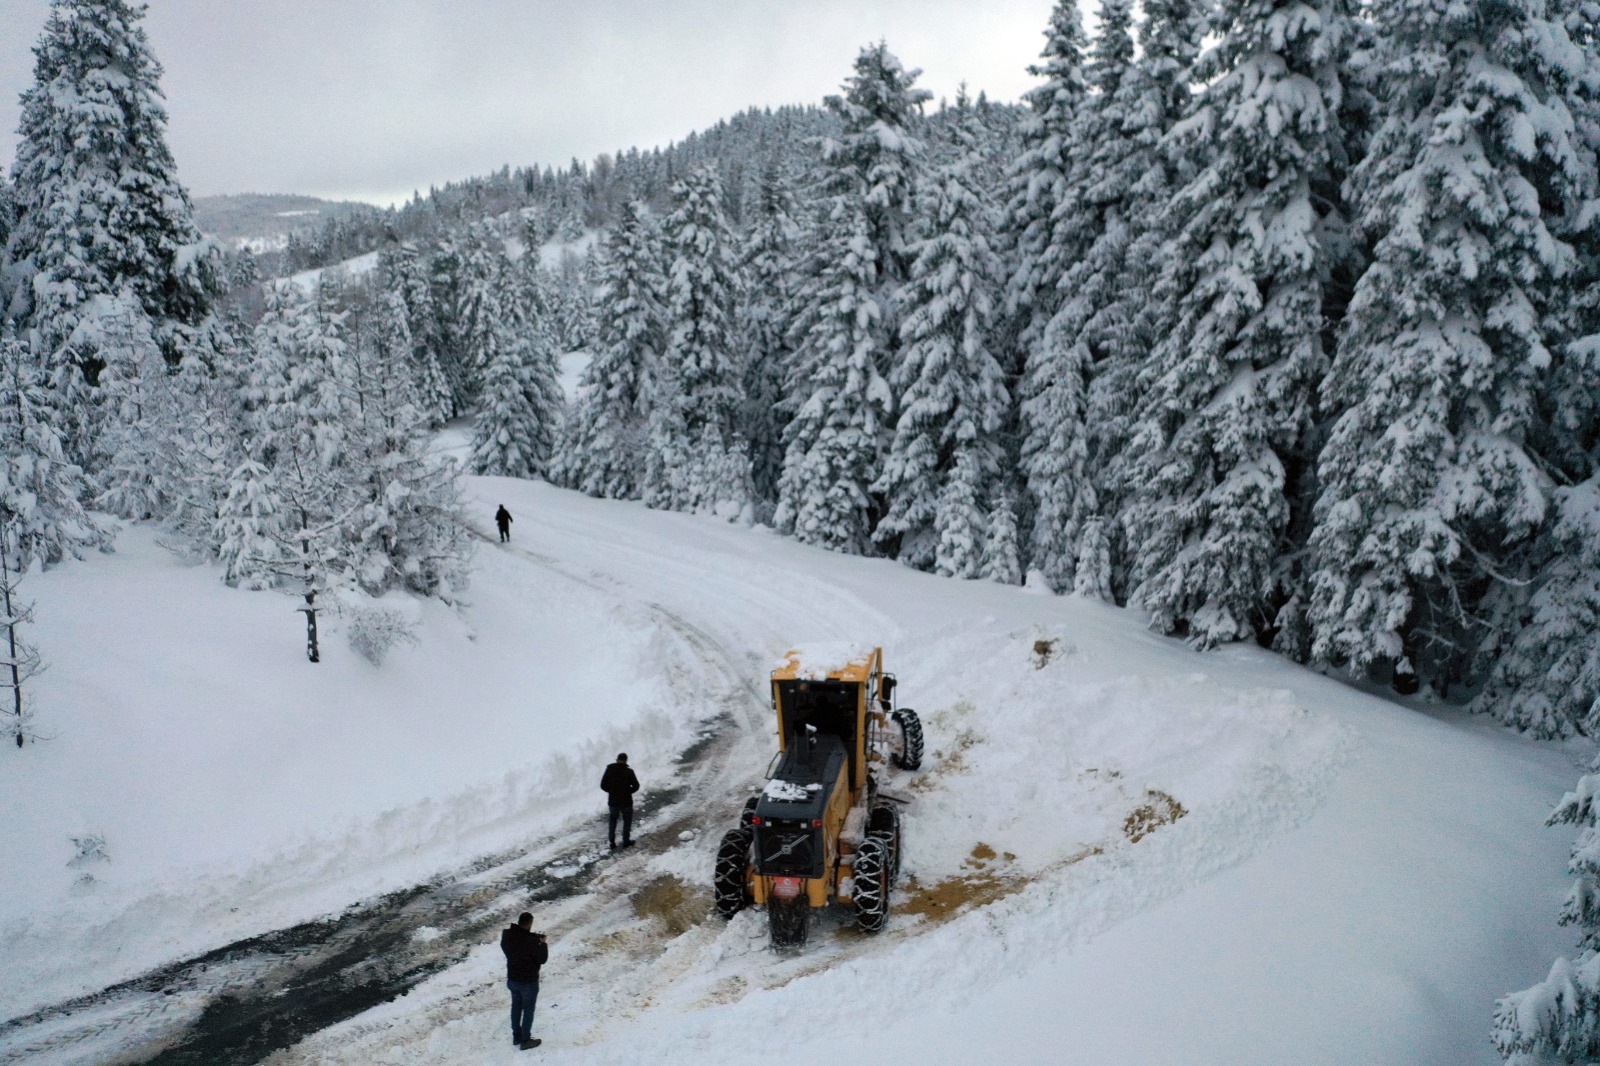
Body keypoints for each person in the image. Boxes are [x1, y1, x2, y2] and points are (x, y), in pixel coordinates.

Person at [500, 911, 548, 1050]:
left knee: (516, 1007)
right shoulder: (532, 942)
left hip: (513, 980)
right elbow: (543, 959)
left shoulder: (508, 936)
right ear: (530, 923)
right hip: (528, 982)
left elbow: (520, 939)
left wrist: (533, 938)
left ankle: (517, 1036)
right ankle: (526, 1040)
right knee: (528, 1010)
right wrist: (543, 944)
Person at [600, 752, 640, 850]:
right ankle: (626, 841)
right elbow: (636, 786)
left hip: (613, 801)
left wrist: (611, 791)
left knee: (613, 820)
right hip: (626, 801)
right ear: (626, 760)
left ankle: (612, 842)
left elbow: (603, 785)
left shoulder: (609, 770)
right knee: (627, 821)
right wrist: (628, 792)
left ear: (617, 759)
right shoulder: (629, 771)